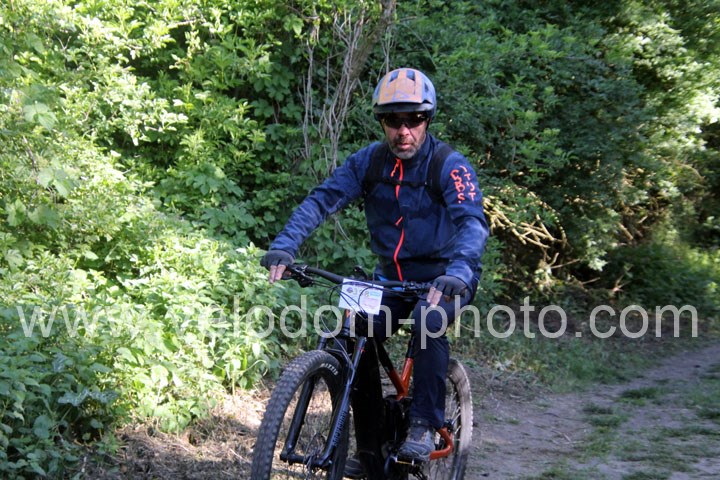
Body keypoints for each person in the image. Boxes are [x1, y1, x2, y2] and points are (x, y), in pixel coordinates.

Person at [261, 67, 488, 478]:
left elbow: (472, 223)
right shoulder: (368, 162)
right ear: (382, 122)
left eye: (413, 119)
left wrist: (459, 269)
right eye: (392, 120)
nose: (403, 131)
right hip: (392, 279)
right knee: (350, 332)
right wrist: (285, 245)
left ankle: (423, 425)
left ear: (427, 119)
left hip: (446, 277)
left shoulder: (448, 166)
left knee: (429, 319)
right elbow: (321, 200)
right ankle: (370, 450)